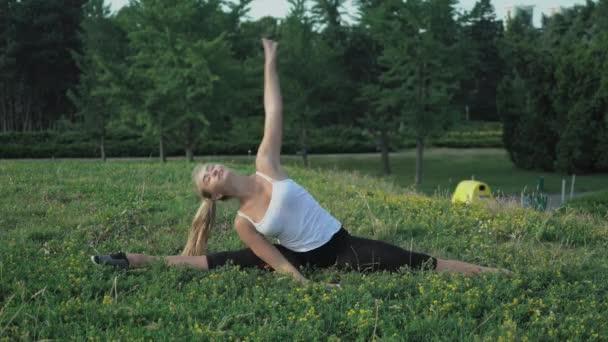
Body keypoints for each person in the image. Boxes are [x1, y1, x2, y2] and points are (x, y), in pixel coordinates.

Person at [91, 39, 507, 282]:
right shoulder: (243, 221)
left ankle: (495, 274)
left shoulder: (265, 164)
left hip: (342, 246)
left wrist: (270, 61)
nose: (211, 170)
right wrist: (306, 287)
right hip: (303, 258)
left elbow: (274, 112)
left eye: (208, 166)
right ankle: (126, 260)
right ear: (214, 196)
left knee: (420, 263)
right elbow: (278, 263)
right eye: (206, 178)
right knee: (210, 263)